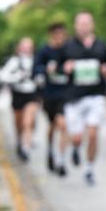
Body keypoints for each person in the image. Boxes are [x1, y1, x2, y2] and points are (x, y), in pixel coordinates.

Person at [60, 12, 106, 186]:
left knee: (92, 134)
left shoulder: (101, 45)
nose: (84, 26)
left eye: (87, 23)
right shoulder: (67, 46)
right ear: (75, 26)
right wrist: (65, 68)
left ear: (92, 25)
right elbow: (57, 68)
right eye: (80, 23)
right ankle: (75, 148)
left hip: (96, 95)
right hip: (75, 97)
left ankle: (89, 168)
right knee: (76, 137)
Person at [34, 22, 70, 176]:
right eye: (57, 35)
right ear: (52, 36)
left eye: (62, 35)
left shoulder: (69, 50)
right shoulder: (44, 51)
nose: (60, 38)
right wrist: (45, 70)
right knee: (52, 125)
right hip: (49, 94)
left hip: (65, 94)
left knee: (63, 124)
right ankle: (50, 150)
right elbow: (35, 69)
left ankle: (61, 160)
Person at [0, 38, 40, 161]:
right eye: (24, 46)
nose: (26, 49)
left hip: (32, 94)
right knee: (19, 123)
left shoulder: (36, 60)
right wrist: (17, 77)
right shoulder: (14, 61)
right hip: (18, 94)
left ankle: (26, 148)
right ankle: (19, 141)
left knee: (27, 122)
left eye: (29, 46)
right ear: (19, 48)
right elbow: (2, 76)